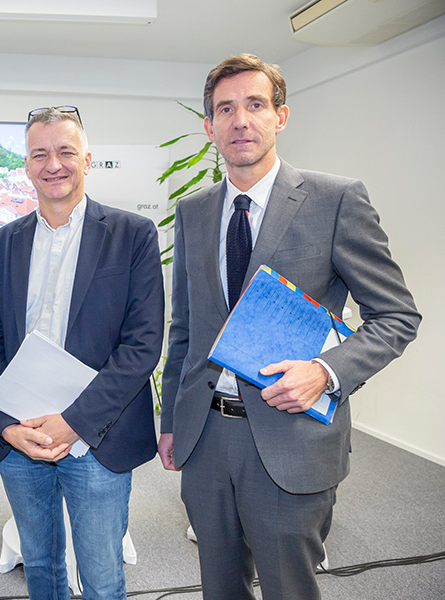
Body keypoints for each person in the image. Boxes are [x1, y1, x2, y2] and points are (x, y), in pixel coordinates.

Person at [158, 53, 421, 600]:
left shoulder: (335, 200)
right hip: (205, 438)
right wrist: (169, 422)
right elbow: (184, 327)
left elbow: (396, 315)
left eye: (255, 105)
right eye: (225, 109)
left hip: (290, 436)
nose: (240, 120)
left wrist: (325, 371)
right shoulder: (195, 210)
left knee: (288, 589)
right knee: (220, 587)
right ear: (209, 126)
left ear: (281, 116)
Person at [0, 106, 164, 599]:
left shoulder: (132, 235)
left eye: (65, 151)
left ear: (88, 159)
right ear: (27, 164)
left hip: (98, 436)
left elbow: (142, 346)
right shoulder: (2, 243)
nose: (52, 163)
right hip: (21, 434)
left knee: (102, 578)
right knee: (41, 567)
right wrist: (7, 423)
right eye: (40, 153)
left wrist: (74, 421)